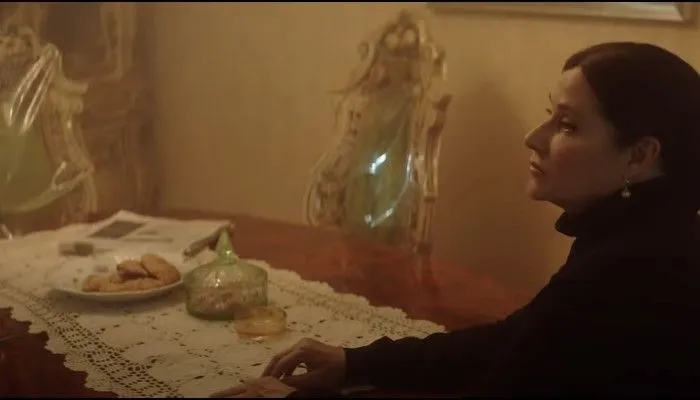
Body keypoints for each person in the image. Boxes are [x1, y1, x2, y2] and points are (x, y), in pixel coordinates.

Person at [211, 42, 700, 397]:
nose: (533, 137)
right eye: (549, 115)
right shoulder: (643, 236)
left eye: (567, 125)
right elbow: (517, 341)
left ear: (640, 155)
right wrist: (354, 362)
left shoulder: (629, 270)